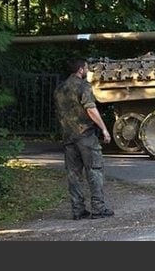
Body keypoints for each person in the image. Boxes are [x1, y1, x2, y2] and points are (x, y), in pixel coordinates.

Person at [53, 58, 114, 220]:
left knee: (74, 174)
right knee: (94, 170)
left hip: (68, 136)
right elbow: (91, 110)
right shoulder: (83, 86)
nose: (88, 70)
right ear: (81, 69)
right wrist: (104, 129)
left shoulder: (59, 89)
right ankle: (98, 207)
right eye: (86, 67)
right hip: (85, 135)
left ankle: (78, 209)